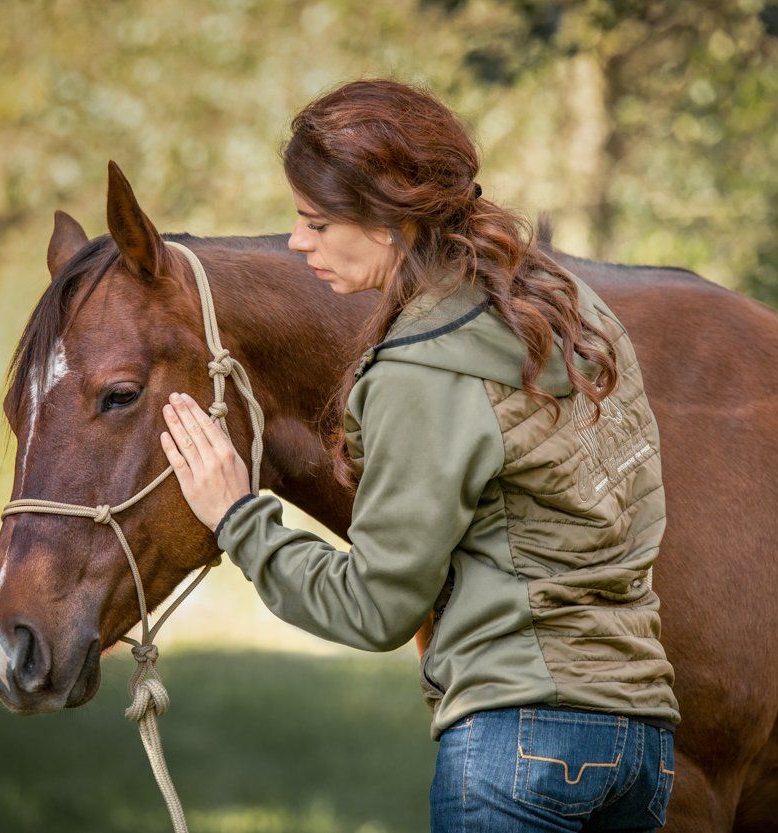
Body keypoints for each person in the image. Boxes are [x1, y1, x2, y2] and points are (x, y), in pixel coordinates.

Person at [157, 78, 679, 832]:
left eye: (317, 222)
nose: (298, 242)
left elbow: (375, 607)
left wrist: (239, 517)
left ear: (391, 222)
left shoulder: (421, 371)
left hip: (518, 745)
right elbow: (640, 505)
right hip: (642, 743)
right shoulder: (567, 306)